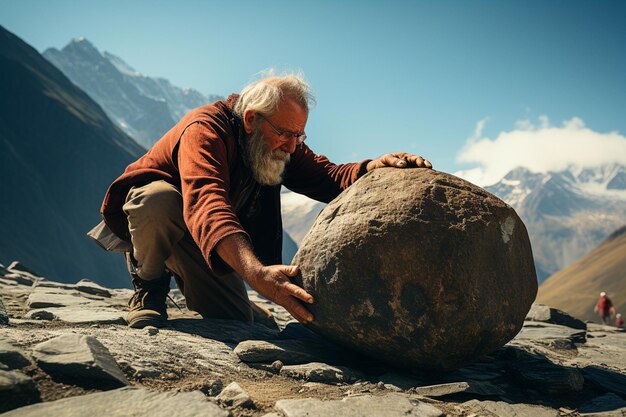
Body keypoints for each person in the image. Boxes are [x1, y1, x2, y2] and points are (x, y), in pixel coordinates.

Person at [88, 73, 432, 329]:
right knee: (158, 200)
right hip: (164, 221)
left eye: (300, 135)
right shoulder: (205, 129)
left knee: (237, 321)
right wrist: (255, 273)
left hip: (205, 239)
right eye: (286, 133)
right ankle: (149, 287)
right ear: (251, 118)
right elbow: (207, 201)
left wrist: (373, 167)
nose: (293, 145)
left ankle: (244, 306)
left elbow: (326, 176)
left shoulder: (279, 139)